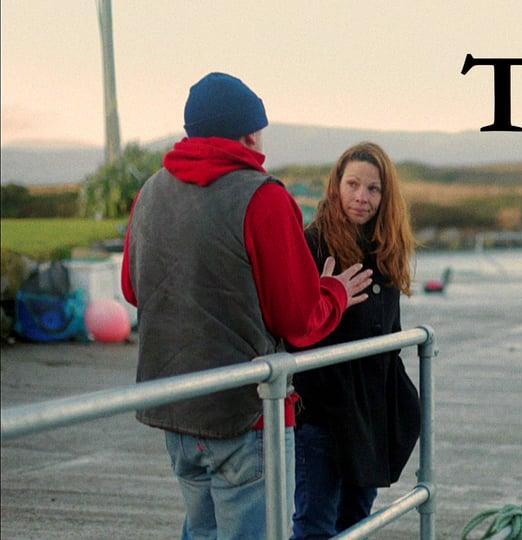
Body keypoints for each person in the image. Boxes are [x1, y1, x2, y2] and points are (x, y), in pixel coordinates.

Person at [121, 72, 372, 539]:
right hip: (246, 413)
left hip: (174, 407)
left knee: (201, 532)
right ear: (249, 133)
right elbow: (297, 321)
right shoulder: (264, 197)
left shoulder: (150, 191)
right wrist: (334, 291)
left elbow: (133, 290)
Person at [291, 142, 421, 539]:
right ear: (336, 185)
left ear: (385, 197)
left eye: (373, 189)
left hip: (370, 414)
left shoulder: (386, 253)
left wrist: (403, 405)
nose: (361, 197)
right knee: (315, 524)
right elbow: (295, 328)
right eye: (352, 184)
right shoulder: (311, 246)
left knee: (356, 521)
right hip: (322, 412)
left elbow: (390, 339)